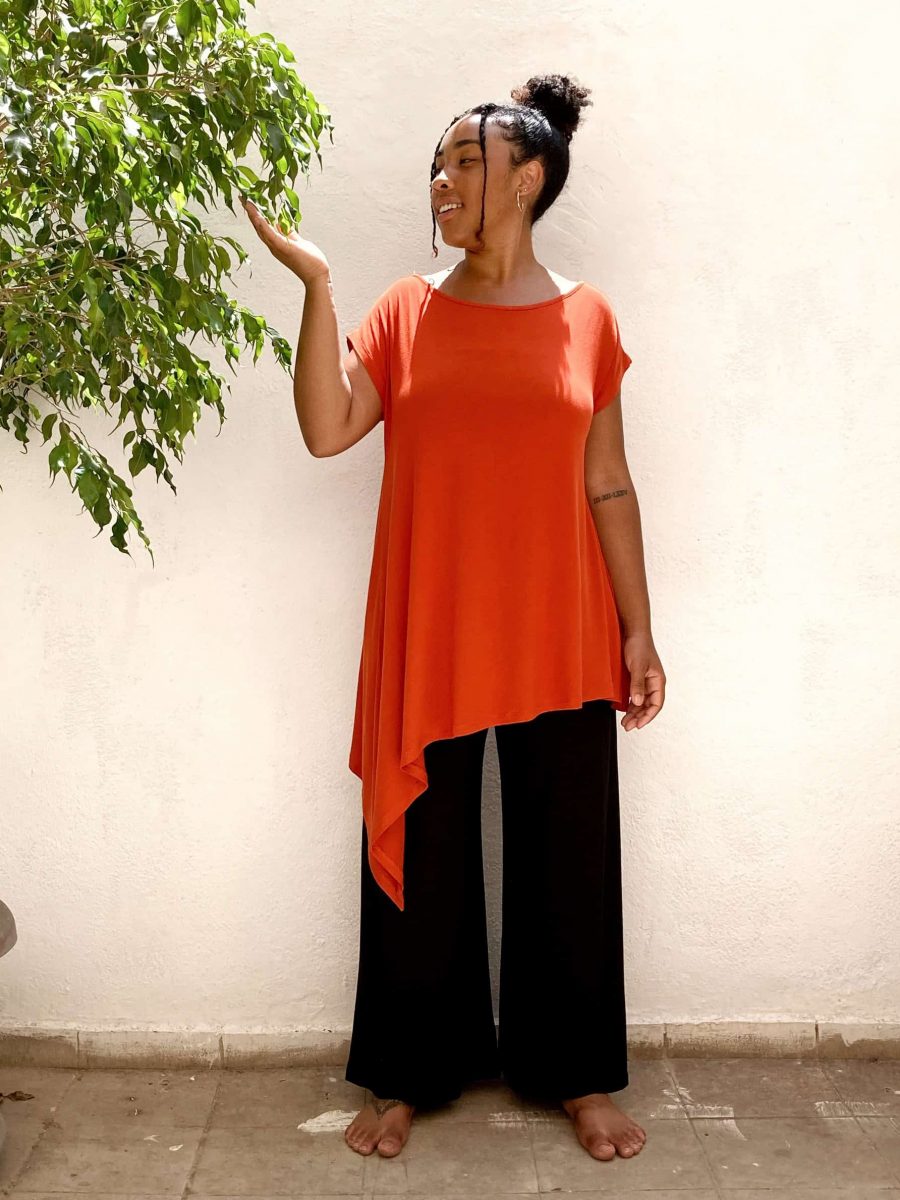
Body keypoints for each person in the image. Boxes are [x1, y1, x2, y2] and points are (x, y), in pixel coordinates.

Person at [242, 72, 666, 1165]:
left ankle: (574, 1075)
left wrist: (639, 627)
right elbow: (330, 429)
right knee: (423, 851)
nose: (441, 180)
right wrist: (319, 285)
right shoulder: (400, 310)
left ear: (527, 181)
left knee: (568, 855)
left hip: (562, 626)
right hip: (433, 621)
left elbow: (607, 483)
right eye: (438, 163)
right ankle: (409, 1072)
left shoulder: (590, 318)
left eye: (464, 162)